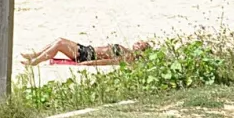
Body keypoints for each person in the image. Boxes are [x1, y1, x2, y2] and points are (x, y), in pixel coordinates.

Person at [21, 37, 150, 67]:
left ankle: (35, 61)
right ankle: (35, 54)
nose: (137, 43)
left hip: (86, 55)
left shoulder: (129, 57)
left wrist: (90, 63)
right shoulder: (127, 50)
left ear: (142, 50)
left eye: (140, 44)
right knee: (59, 40)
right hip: (87, 49)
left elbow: (109, 61)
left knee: (59, 44)